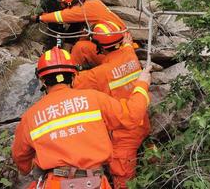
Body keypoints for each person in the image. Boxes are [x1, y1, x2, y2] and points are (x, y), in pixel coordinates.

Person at [12, 47, 151, 189]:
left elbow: (21, 158)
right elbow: (132, 115)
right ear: (74, 75)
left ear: (42, 80)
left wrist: (32, 164)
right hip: (95, 182)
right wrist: (142, 85)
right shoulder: (94, 99)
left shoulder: (31, 116)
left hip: (56, 184)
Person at [72, 22, 148, 189]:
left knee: (123, 179)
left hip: (123, 133)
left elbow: (70, 83)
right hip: (142, 119)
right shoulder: (130, 54)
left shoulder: (99, 74)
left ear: (99, 47)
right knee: (146, 155)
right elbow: (127, 46)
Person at [31, 0, 126, 68]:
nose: (65, 8)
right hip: (120, 45)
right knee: (81, 42)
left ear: (71, 2)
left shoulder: (84, 9)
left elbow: (62, 16)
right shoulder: (93, 4)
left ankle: (68, 69)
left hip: (115, 51)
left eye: (65, 4)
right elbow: (88, 33)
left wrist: (40, 18)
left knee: (79, 48)